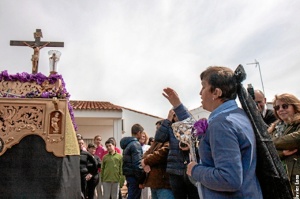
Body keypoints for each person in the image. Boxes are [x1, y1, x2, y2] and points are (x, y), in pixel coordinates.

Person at [163, 66, 263, 198]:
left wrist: (195, 170)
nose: (200, 93)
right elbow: (196, 128)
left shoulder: (221, 124)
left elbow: (229, 179)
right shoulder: (235, 115)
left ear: (216, 93)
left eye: (203, 87)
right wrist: (178, 105)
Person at [155, 109, 199, 199]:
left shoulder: (192, 126)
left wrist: (190, 146)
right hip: (174, 170)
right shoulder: (171, 128)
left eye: (178, 113)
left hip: (191, 168)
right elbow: (159, 138)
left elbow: (200, 142)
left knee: (194, 196)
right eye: (174, 115)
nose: (176, 117)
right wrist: (167, 120)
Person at [268, 93, 300, 197]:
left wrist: (269, 142)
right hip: (280, 178)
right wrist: (282, 153)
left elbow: (296, 140)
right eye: (277, 107)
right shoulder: (273, 129)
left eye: (285, 106)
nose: (280, 109)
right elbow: (266, 151)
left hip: (297, 175)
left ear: (295, 106)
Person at [120, 123, 145, 199]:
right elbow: (137, 164)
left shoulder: (128, 144)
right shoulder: (135, 144)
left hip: (129, 175)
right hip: (135, 176)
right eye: (142, 133)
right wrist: (141, 179)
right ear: (139, 133)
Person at [139, 131, 151, 199]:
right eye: (141, 136)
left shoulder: (148, 147)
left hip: (146, 171)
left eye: (144, 136)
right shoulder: (135, 146)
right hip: (138, 170)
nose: (142, 138)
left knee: (146, 192)